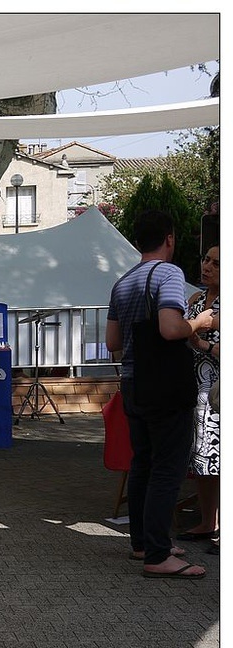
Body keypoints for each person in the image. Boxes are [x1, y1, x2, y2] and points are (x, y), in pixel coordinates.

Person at [106, 209, 215, 579]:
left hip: (134, 382)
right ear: (169, 238)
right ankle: (157, 553)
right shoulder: (168, 273)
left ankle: (143, 543)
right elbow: (171, 329)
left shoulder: (122, 282)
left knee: (143, 464)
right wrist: (199, 322)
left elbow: (113, 342)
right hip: (166, 386)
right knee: (167, 469)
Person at [177, 244, 220, 551]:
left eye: (217, 263)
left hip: (219, 390)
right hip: (196, 392)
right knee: (204, 459)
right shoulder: (194, 300)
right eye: (206, 259)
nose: (207, 266)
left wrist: (199, 342)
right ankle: (208, 521)